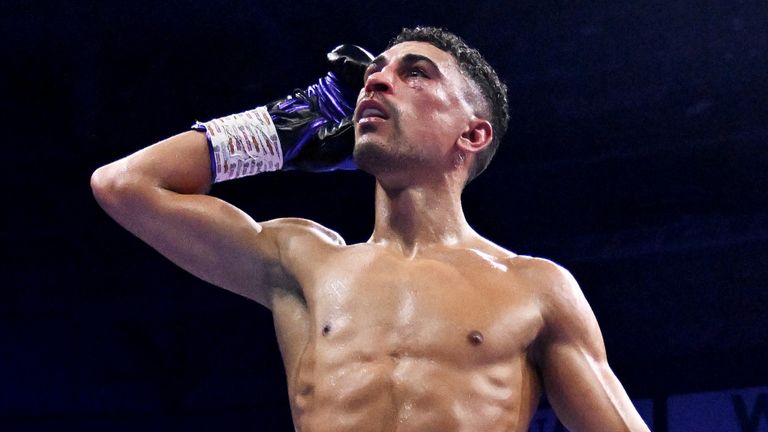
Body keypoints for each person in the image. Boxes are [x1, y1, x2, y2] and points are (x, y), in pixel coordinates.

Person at [91, 26, 650, 432]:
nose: (376, 82)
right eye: (373, 73)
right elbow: (125, 185)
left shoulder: (535, 288)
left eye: (415, 74)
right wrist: (284, 130)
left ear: (472, 134)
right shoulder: (306, 260)